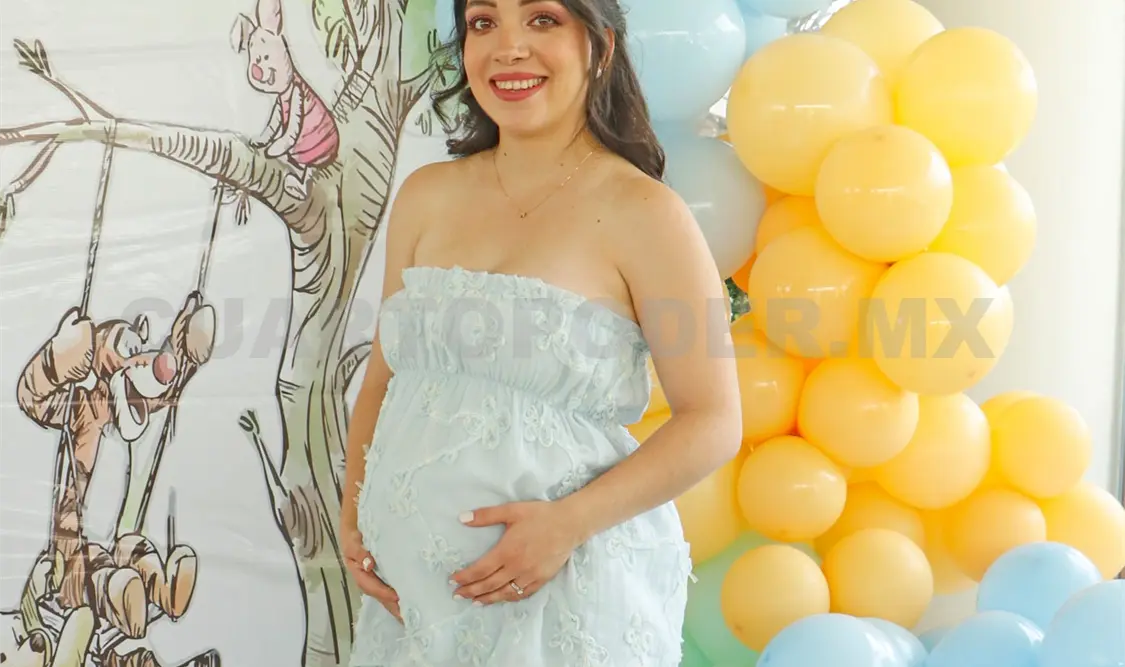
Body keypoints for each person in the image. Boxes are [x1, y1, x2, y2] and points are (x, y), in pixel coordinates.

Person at [340, 0, 743, 664]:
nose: (508, 47)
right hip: (415, 609)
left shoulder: (645, 212)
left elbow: (713, 420)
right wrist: (355, 513)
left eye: (542, 19)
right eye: (483, 22)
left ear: (600, 46)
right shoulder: (425, 195)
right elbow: (384, 378)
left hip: (569, 595)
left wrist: (565, 526)